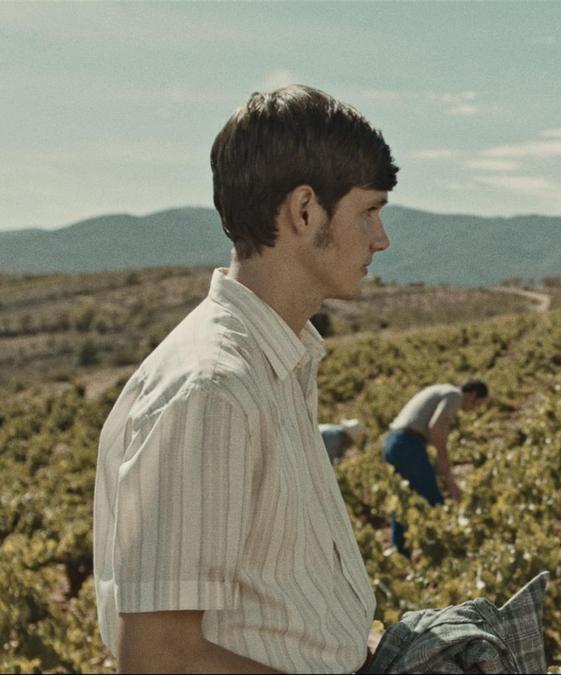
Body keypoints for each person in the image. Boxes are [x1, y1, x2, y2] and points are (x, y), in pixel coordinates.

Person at [93, 84, 397, 673]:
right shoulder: (213, 391)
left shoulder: (277, 363)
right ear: (305, 211)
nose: (380, 238)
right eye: (370, 210)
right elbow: (162, 661)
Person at [384, 378, 489, 553]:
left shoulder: (441, 389)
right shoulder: (455, 395)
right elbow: (436, 429)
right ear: (472, 395)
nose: (474, 409)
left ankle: (400, 549)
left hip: (393, 443)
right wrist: (443, 459)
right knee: (433, 499)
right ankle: (444, 550)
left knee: (405, 498)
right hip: (408, 444)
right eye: (477, 404)